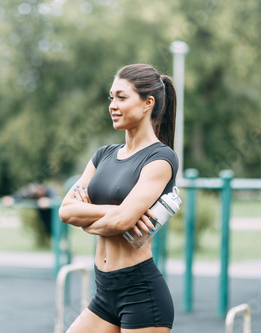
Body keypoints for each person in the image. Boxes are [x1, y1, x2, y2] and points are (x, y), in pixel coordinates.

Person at [59, 64, 178, 332]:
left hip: (141, 294)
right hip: (104, 293)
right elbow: (66, 210)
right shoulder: (104, 155)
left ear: (148, 103)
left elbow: (122, 221)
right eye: (111, 97)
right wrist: (115, 215)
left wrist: (87, 218)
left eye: (122, 97)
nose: (113, 105)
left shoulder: (161, 158)